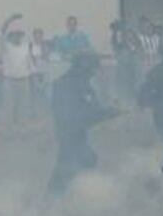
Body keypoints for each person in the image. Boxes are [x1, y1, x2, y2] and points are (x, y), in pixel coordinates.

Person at [47, 52, 118, 196]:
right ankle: (52, 201)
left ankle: (78, 194)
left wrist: (108, 112)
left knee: (86, 160)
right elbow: (75, 115)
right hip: (68, 133)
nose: (94, 73)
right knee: (69, 164)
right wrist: (106, 113)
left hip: (78, 133)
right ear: (82, 67)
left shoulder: (83, 84)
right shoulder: (64, 85)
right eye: (92, 68)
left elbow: (93, 109)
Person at [0, 13, 32, 132]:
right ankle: (8, 131)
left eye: (19, 35)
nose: (17, 37)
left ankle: (23, 130)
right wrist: (10, 19)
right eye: (14, 35)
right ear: (10, 37)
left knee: (24, 107)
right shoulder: (6, 46)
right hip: (10, 81)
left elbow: (29, 63)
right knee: (8, 107)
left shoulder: (25, 47)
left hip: (24, 80)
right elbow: (2, 31)